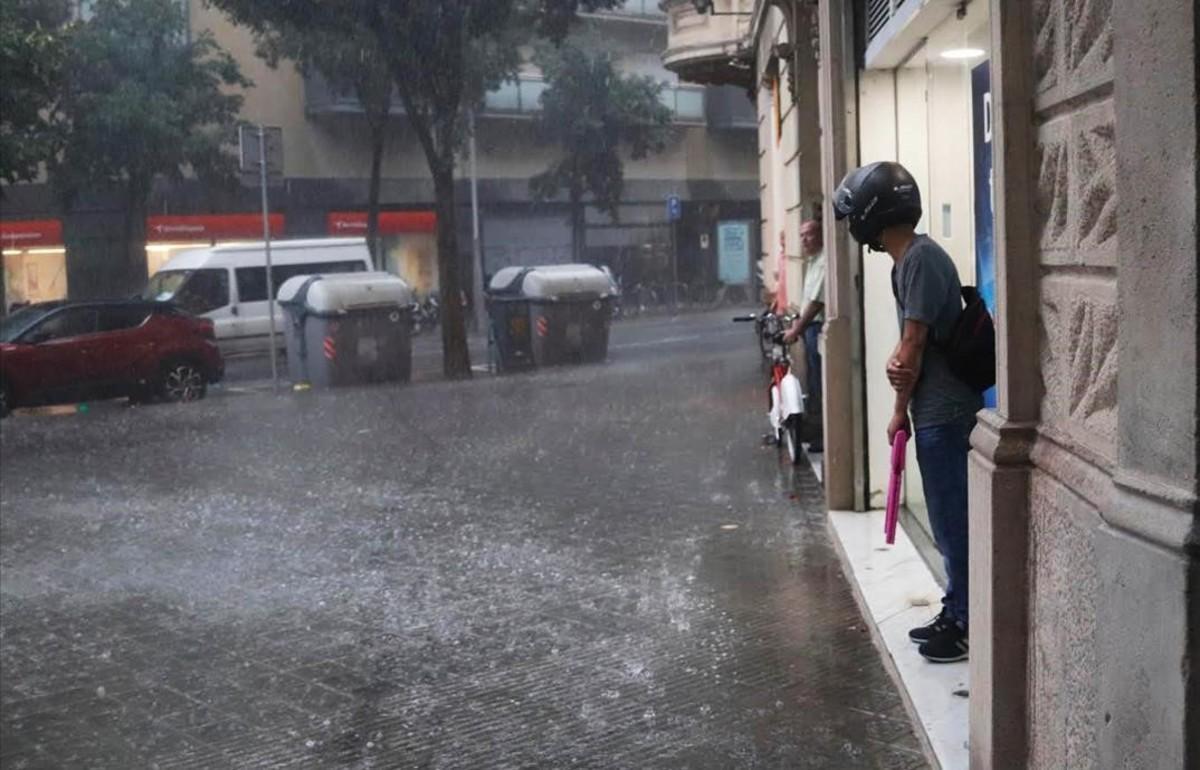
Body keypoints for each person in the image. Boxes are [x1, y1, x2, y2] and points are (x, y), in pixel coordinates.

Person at [833, 161, 981, 664]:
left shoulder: (918, 260)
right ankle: (956, 606)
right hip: (936, 408)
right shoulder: (913, 260)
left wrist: (899, 410)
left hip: (943, 412)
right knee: (945, 519)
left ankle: (965, 624)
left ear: (870, 215)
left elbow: (913, 343)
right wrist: (901, 366)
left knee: (951, 520)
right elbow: (908, 345)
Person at [782, 219, 825, 452]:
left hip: (816, 329)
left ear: (820, 235)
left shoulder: (824, 261)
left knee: (819, 384)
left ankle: (821, 435)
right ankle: (815, 431)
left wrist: (797, 329)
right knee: (814, 383)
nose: (804, 240)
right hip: (809, 329)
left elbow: (818, 302)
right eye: (801, 236)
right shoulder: (813, 261)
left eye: (808, 234)